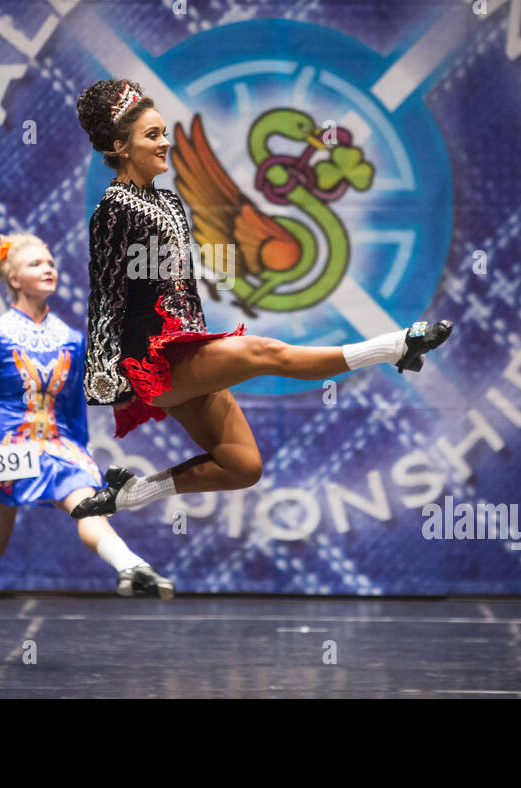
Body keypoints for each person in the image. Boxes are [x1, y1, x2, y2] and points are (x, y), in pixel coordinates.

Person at [72, 79, 453, 518]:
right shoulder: (113, 207)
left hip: (185, 346)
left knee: (242, 465)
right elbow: (105, 295)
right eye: (152, 136)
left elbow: (182, 287)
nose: (166, 143)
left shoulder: (171, 202)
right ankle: (395, 347)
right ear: (120, 146)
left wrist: (199, 340)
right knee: (265, 351)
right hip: (152, 360)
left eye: (164, 132)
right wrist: (109, 382)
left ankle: (132, 494)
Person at [0, 233, 173, 664]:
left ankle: (129, 565)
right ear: (13, 279)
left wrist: (80, 456)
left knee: (90, 506)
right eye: (35, 264)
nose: (48, 269)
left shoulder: (71, 337)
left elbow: (73, 411)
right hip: (6, 448)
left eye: (50, 262)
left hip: (57, 447)